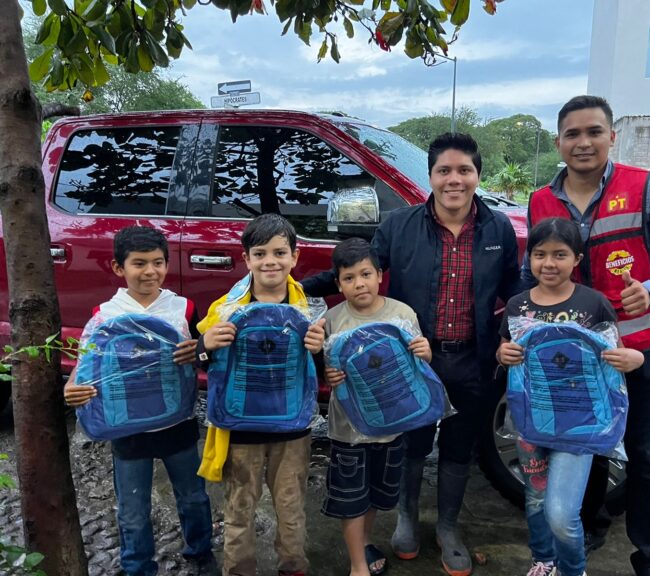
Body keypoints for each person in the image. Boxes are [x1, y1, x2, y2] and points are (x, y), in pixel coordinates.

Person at [304, 132, 520, 576]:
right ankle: (406, 519)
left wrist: (544, 316)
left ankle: (447, 528)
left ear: (478, 175)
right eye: (445, 170)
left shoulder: (498, 228)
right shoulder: (398, 226)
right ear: (431, 176)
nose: (454, 179)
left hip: (472, 359)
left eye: (464, 170)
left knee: (460, 447)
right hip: (409, 360)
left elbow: (513, 289)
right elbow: (354, 273)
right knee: (412, 442)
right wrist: (293, 289)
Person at [525, 95, 650, 576]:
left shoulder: (648, 187)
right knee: (586, 449)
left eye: (594, 132)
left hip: (639, 349)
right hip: (575, 355)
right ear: (559, 141)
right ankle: (590, 527)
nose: (583, 143)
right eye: (573, 134)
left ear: (611, 136)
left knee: (647, 460)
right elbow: (533, 273)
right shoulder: (541, 199)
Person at [63, 225, 216, 576]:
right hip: (127, 430)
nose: (150, 271)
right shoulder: (105, 316)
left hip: (177, 422)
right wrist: (71, 389)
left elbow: (204, 356)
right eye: (139, 263)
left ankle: (201, 552)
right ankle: (137, 567)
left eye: (158, 262)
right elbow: (86, 367)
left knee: (193, 498)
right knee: (132, 509)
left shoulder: (184, 308)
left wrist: (198, 352)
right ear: (119, 268)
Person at [497, 217, 645, 576]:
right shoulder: (517, 306)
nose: (549, 263)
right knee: (535, 500)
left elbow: (618, 354)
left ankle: (572, 569)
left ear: (577, 259)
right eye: (540, 254)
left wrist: (634, 359)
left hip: (579, 426)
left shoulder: (594, 304)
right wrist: (503, 355)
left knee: (562, 514)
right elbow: (505, 348)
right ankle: (542, 560)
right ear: (529, 258)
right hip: (532, 423)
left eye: (560, 254)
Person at [195, 213, 325, 576]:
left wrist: (318, 347)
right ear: (246, 259)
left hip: (292, 430)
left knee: (291, 505)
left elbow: (322, 368)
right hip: (242, 430)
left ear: (295, 257)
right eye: (261, 253)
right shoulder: (225, 309)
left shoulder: (308, 310)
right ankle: (239, 570)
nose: (271, 261)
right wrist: (205, 344)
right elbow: (200, 360)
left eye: (280, 252)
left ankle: (293, 567)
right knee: (239, 508)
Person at [321, 237, 432, 576]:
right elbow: (326, 369)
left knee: (378, 496)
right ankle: (358, 566)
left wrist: (425, 354)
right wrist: (329, 374)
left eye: (365, 274)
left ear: (380, 275)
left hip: (391, 427)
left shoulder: (402, 314)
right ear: (338, 283)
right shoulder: (331, 319)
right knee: (351, 499)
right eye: (349, 278)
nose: (359, 284)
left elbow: (417, 368)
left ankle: (364, 543)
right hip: (348, 430)